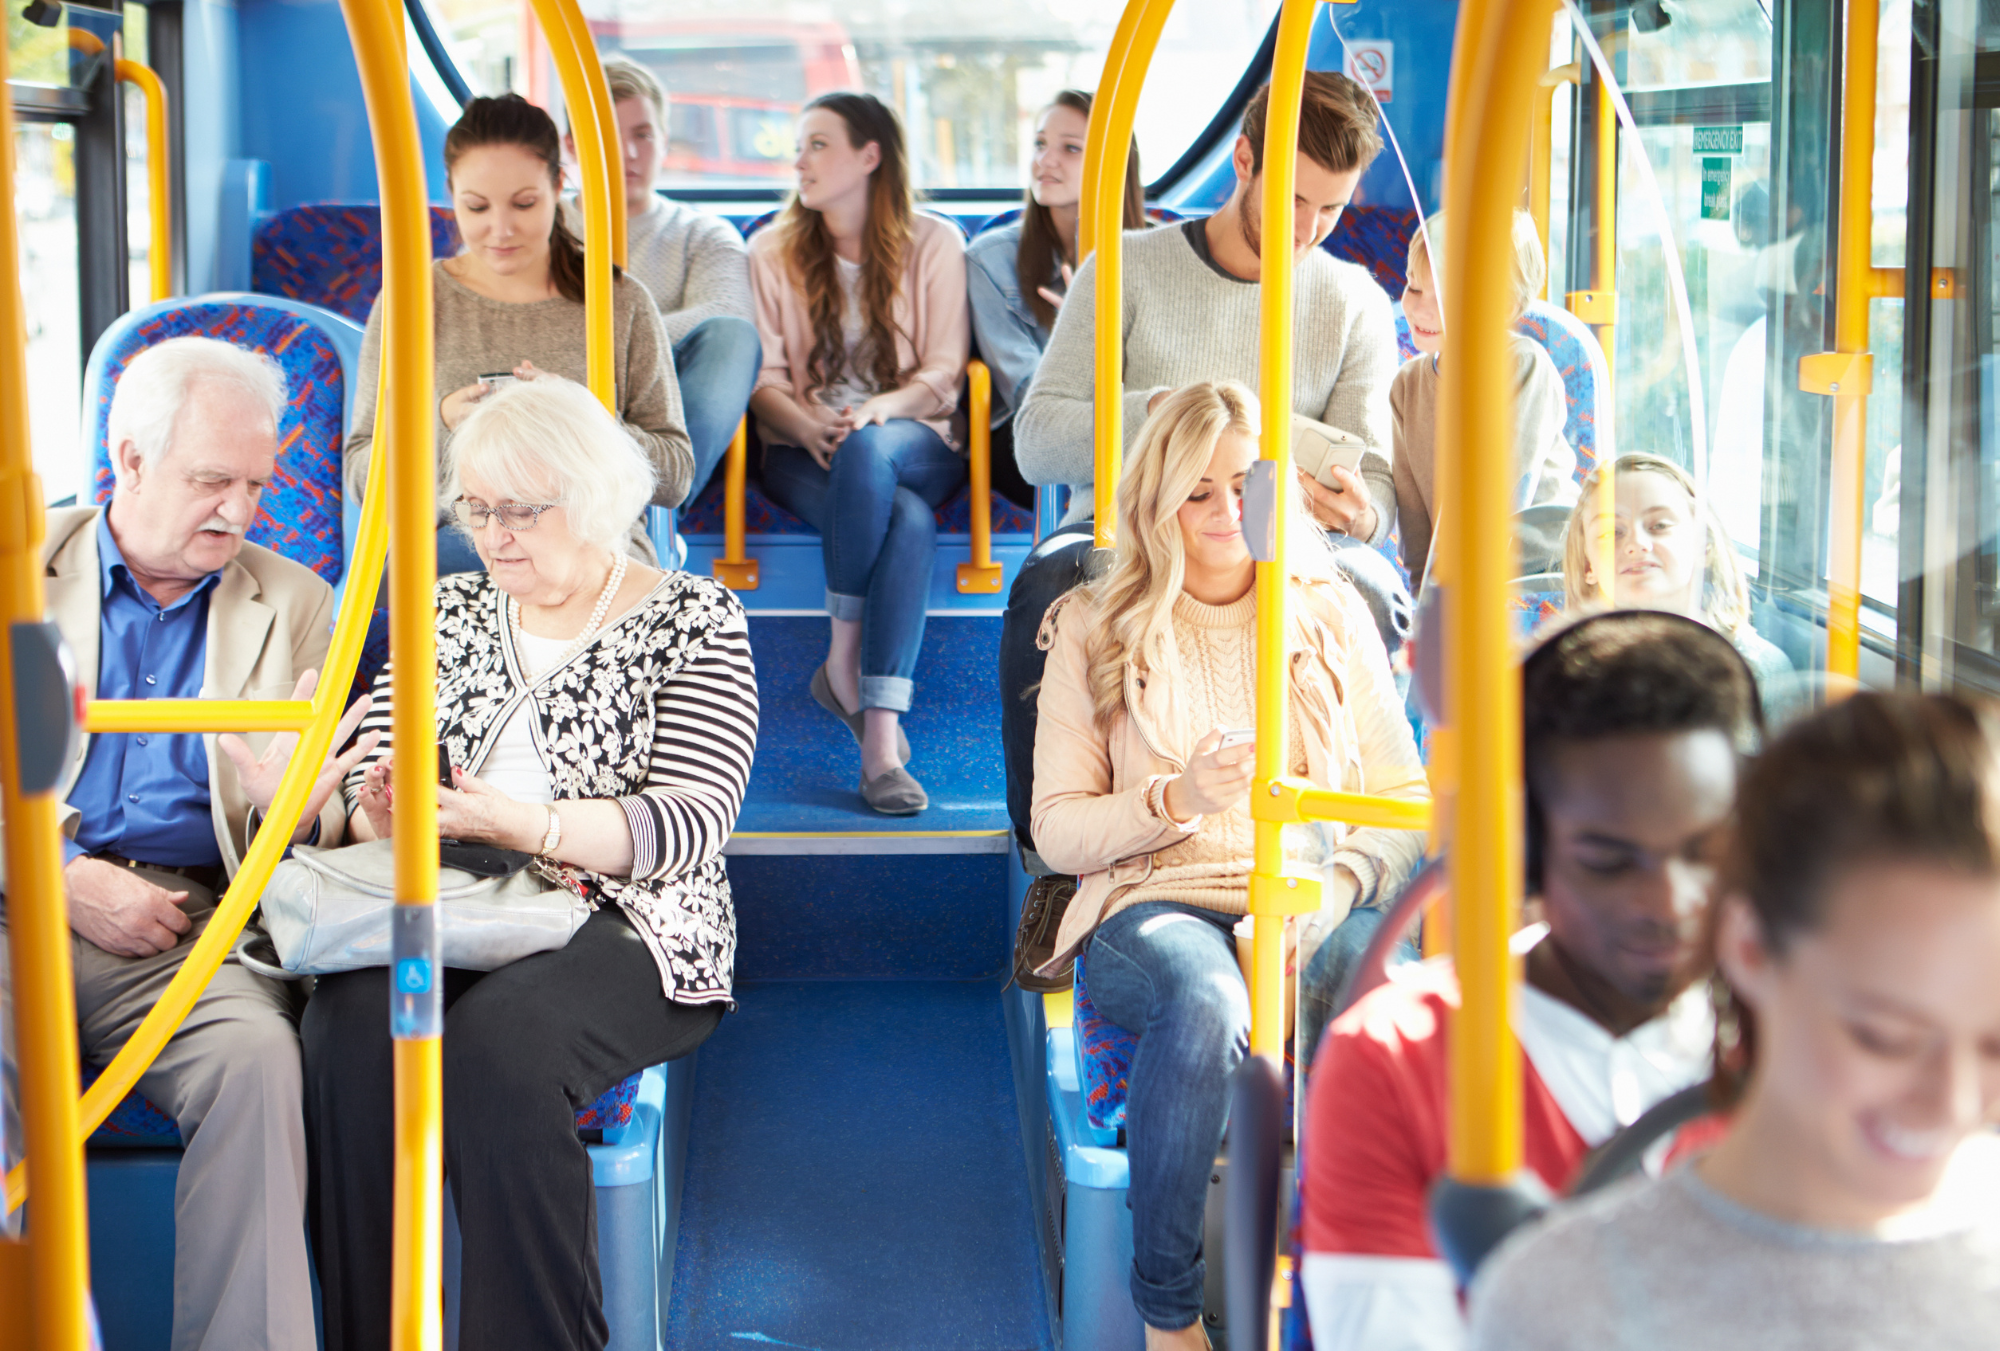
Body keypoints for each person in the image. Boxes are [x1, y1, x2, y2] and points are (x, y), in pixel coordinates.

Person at [302, 375, 758, 1351]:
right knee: (350, 1028)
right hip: (451, 898)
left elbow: (689, 822)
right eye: (477, 508)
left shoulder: (693, 619)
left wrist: (528, 825)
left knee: (501, 1053)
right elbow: (363, 788)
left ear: (593, 498)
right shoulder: (444, 611)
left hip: (625, 919)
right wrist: (363, 811)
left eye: (523, 509)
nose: (495, 533)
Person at [1031, 382, 1429, 1351]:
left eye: (1241, 486)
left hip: (1306, 893)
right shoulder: (1093, 622)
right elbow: (1057, 831)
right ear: (1155, 498)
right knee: (1209, 1000)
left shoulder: (1326, 610)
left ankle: (1369, 1289)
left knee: (1395, 1011)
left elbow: (1404, 804)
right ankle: (1168, 1309)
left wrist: (1327, 895)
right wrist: (1175, 797)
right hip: (1151, 899)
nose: (1219, 514)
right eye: (1194, 491)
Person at [0, 337, 377, 1350]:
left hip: (190, 923)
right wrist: (61, 874)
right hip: (21, 901)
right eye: (212, 479)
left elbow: (313, 830)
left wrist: (289, 808)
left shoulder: (296, 601)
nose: (239, 511)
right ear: (126, 459)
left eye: (257, 484)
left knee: (258, 1062)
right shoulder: (18, 573)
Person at [1469, 691, 2000, 1350]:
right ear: (1749, 947)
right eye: (1886, 1038)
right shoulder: (1568, 1307)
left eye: (1997, 1048)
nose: (1953, 1099)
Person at [1298, 610, 1761, 1351]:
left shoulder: (1790, 1050)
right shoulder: (1392, 1063)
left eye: (1706, 854)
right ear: (1531, 855)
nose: (1670, 903)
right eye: (1611, 861)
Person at [1002, 71, 1407, 858]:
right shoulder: (1126, 270)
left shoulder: (1354, 300)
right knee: (1051, 583)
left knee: (1371, 585)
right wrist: (1163, 417)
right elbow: (1037, 438)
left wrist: (1358, 513)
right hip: (1130, 525)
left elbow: (1378, 492)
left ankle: (1353, 836)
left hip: (1279, 535)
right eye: (1294, 200)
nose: (1310, 229)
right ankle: (1047, 851)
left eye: (1332, 208)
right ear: (1245, 160)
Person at [344, 93, 691, 574]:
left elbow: (675, 475)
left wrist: (586, 423)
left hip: (588, 549)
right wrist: (442, 425)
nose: (500, 230)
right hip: (462, 543)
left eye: (524, 204)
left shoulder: (619, 301)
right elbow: (365, 483)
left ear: (558, 187)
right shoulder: (411, 302)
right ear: (451, 196)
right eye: (477, 207)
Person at [748, 91, 968, 816]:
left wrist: (879, 409)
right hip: (805, 446)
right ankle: (880, 740)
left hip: (913, 434)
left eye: (817, 144)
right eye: (799, 146)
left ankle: (841, 661)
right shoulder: (769, 250)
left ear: (869, 155)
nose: (799, 161)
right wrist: (809, 425)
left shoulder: (935, 243)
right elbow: (765, 379)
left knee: (873, 457)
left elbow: (942, 373)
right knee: (907, 523)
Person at [563, 56, 760, 508]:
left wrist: (610, 343)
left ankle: (651, 510)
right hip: (565, 403)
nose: (629, 154)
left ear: (665, 142)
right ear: (573, 147)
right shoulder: (539, 222)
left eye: (643, 136)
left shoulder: (702, 233)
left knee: (733, 338)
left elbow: (726, 314)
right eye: (609, 137)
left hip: (665, 413)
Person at [965, 89, 1144, 510]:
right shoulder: (991, 261)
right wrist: (1077, 340)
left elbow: (1172, 375)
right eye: (1041, 144)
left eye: (1070, 149)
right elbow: (1025, 392)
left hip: (1138, 427)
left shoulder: (1156, 252)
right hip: (1034, 439)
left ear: (1112, 161)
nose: (1046, 161)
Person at [1391, 209, 1578, 586]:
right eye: (1414, 287)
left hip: (1544, 573)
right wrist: (1423, 598)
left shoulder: (1523, 367)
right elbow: (1414, 525)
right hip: (1454, 581)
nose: (1420, 307)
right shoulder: (1407, 385)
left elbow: (1505, 495)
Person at [1562, 453, 1797, 715]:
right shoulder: (1570, 671)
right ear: (1588, 565)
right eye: (1611, 532)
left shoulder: (1758, 668)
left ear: (1703, 546)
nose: (1637, 543)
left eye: (1659, 525)